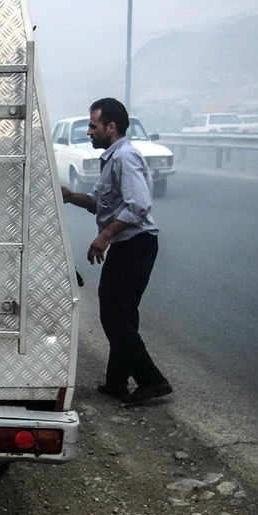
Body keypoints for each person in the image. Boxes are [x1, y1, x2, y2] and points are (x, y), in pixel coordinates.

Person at [60, 97, 172, 405]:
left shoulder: (124, 157)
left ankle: (153, 381)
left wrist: (104, 237)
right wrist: (70, 196)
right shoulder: (111, 159)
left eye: (93, 126)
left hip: (134, 245)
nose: (89, 132)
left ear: (111, 126)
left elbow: (139, 205)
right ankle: (116, 383)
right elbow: (99, 201)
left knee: (113, 317)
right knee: (122, 315)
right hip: (130, 246)